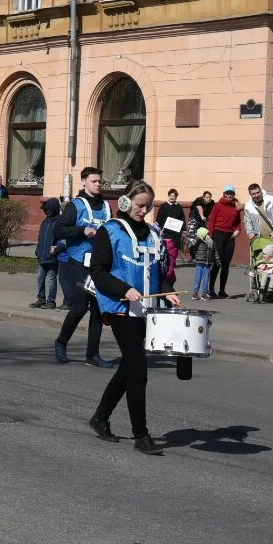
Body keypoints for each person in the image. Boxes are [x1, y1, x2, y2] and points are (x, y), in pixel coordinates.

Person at [86, 180, 179, 455]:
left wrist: (167, 293)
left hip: (146, 310)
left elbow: (158, 272)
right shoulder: (110, 231)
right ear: (126, 202)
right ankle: (141, 435)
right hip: (119, 308)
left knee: (128, 366)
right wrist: (124, 289)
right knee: (138, 370)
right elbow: (98, 272)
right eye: (140, 205)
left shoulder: (152, 233)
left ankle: (100, 418)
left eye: (148, 206)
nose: (144, 210)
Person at [54, 167, 114, 368]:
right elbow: (59, 229)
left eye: (100, 181)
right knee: (80, 307)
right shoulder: (75, 205)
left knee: (98, 310)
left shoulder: (106, 206)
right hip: (78, 263)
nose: (98, 184)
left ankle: (93, 354)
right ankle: (61, 343)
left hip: (99, 266)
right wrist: (82, 230)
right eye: (94, 181)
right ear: (84, 182)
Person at [207, 185, 243, 298]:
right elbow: (212, 220)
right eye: (227, 193)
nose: (229, 195)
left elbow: (238, 222)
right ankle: (211, 289)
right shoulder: (218, 205)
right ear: (224, 194)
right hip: (218, 234)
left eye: (231, 193)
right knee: (217, 263)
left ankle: (222, 290)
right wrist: (210, 236)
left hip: (230, 236)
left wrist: (237, 230)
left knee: (226, 264)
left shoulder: (236, 207)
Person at [32, 197, 62, 308]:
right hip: (42, 255)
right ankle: (41, 298)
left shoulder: (59, 222)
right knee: (40, 277)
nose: (47, 212)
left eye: (49, 210)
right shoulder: (45, 222)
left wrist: (56, 248)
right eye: (46, 210)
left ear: (54, 209)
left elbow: (61, 239)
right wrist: (38, 250)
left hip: (52, 256)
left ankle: (51, 301)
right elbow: (41, 238)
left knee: (51, 279)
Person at [190, 226, 216, 300]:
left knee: (206, 279)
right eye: (206, 234)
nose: (208, 235)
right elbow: (192, 244)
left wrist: (216, 260)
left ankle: (204, 293)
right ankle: (195, 293)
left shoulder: (210, 241)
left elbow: (214, 250)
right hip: (199, 262)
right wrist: (198, 238)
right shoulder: (197, 241)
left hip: (207, 262)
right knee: (198, 278)